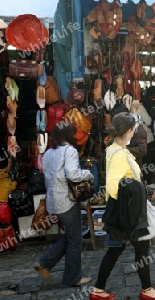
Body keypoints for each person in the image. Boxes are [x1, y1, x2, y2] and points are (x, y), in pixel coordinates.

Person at [90, 112, 155, 300]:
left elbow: (128, 180)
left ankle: (99, 289)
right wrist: (136, 195)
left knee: (117, 249)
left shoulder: (114, 149)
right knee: (140, 249)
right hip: (127, 213)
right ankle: (146, 290)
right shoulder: (118, 153)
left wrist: (146, 190)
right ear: (130, 131)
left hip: (122, 211)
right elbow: (113, 186)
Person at [33, 121, 93, 286]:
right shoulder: (70, 151)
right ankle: (73, 278)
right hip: (67, 200)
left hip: (53, 200)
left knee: (71, 236)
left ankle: (44, 263)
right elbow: (73, 174)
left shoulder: (47, 154)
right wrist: (87, 174)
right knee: (75, 240)